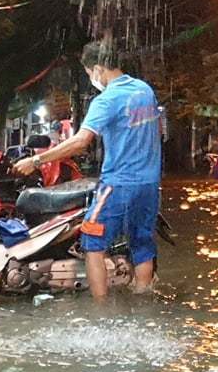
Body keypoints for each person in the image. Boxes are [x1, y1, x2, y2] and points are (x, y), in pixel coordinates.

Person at [13, 40, 163, 299]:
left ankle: (100, 314)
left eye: (88, 73)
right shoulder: (144, 90)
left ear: (97, 69)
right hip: (149, 184)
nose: (90, 78)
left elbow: (81, 141)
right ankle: (143, 301)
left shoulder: (106, 100)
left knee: (92, 243)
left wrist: (36, 161)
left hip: (118, 185)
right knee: (142, 244)